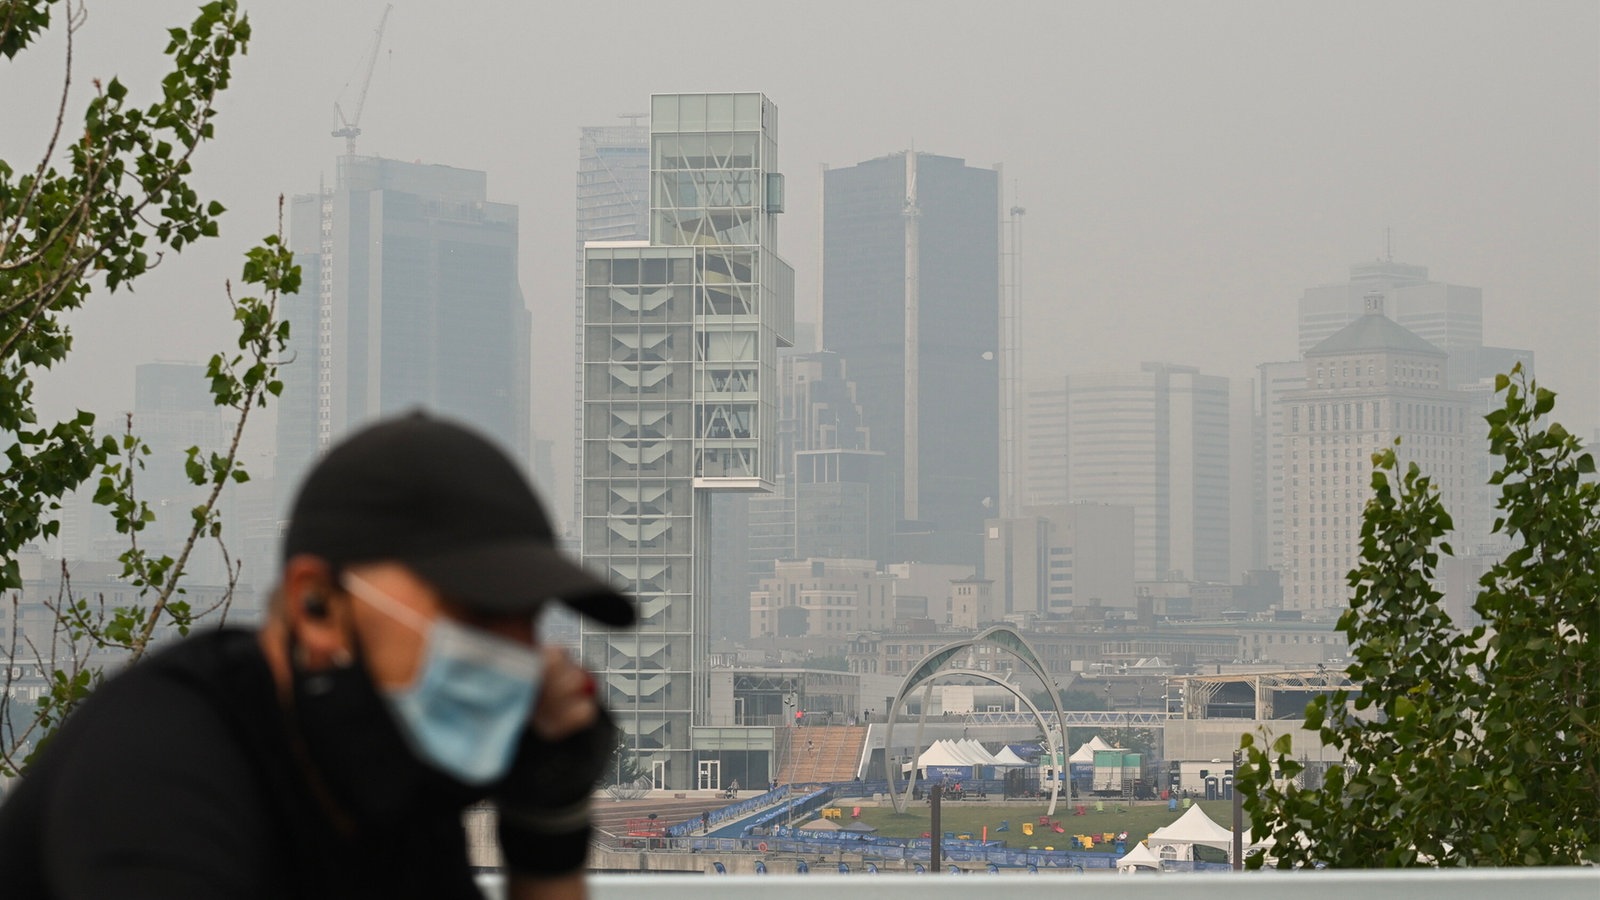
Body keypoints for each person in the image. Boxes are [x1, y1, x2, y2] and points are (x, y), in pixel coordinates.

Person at [0, 413, 635, 899]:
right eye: (474, 611)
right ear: (317, 606)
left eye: (527, 620)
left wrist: (548, 821)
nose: (516, 653)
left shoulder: (386, 784)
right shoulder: (156, 771)